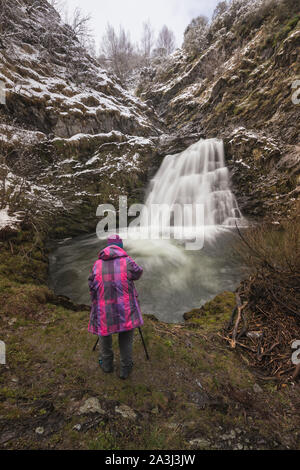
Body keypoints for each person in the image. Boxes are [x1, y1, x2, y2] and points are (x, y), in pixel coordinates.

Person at [88, 234, 143, 379]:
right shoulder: (128, 261)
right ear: (121, 247)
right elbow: (138, 273)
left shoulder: (97, 264)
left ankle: (106, 364)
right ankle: (126, 367)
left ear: (107, 247)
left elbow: (91, 284)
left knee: (105, 333)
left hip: (105, 308)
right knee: (125, 336)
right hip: (125, 309)